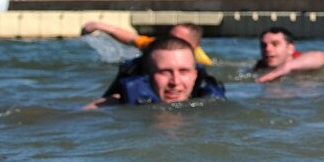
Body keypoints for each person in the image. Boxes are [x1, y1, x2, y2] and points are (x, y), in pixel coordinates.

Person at [87, 36, 225, 109]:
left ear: (195, 75)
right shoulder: (108, 107)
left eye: (184, 71)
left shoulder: (215, 108)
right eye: (164, 72)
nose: (175, 82)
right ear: (146, 74)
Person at [80, 19, 214, 66]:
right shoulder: (158, 46)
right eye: (169, 36)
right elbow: (132, 39)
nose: (169, 41)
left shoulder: (200, 61)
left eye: (177, 39)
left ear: (194, 45)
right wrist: (102, 26)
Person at [254, 26, 324, 82]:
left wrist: (287, 67)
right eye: (264, 45)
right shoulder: (260, 67)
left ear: (290, 49)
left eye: (275, 44)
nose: (267, 49)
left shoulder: (300, 60)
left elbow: (323, 57)